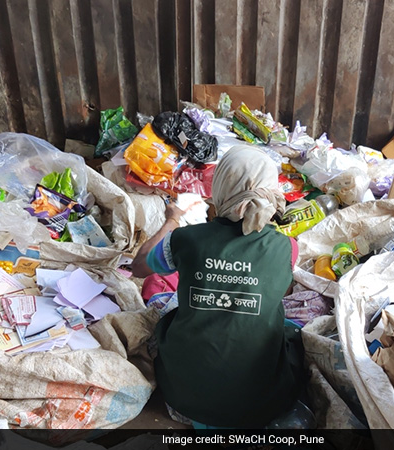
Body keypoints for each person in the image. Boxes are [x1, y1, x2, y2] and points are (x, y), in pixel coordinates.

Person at [131, 145, 306, 428]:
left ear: (221, 189)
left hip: (182, 400)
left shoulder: (185, 239)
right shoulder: (288, 248)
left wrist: (172, 219)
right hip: (260, 408)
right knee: (291, 335)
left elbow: (138, 267)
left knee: (161, 292)